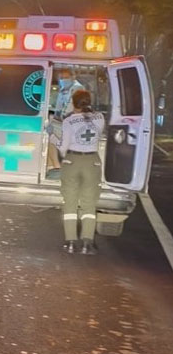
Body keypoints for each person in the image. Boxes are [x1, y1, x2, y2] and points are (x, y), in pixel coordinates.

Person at [50, 89, 104, 254]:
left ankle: (71, 242)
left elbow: (63, 147)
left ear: (74, 103)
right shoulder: (100, 117)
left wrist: (51, 136)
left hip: (72, 162)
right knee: (89, 204)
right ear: (89, 101)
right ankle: (87, 243)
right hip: (92, 162)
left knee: (71, 202)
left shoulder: (69, 121)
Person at [47, 68, 87, 177]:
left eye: (66, 78)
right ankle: (51, 165)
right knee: (48, 128)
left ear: (73, 77)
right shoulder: (64, 88)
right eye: (61, 78)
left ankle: (56, 167)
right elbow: (58, 108)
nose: (63, 80)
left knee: (49, 135)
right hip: (64, 122)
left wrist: (56, 119)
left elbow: (67, 109)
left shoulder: (77, 88)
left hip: (72, 124)